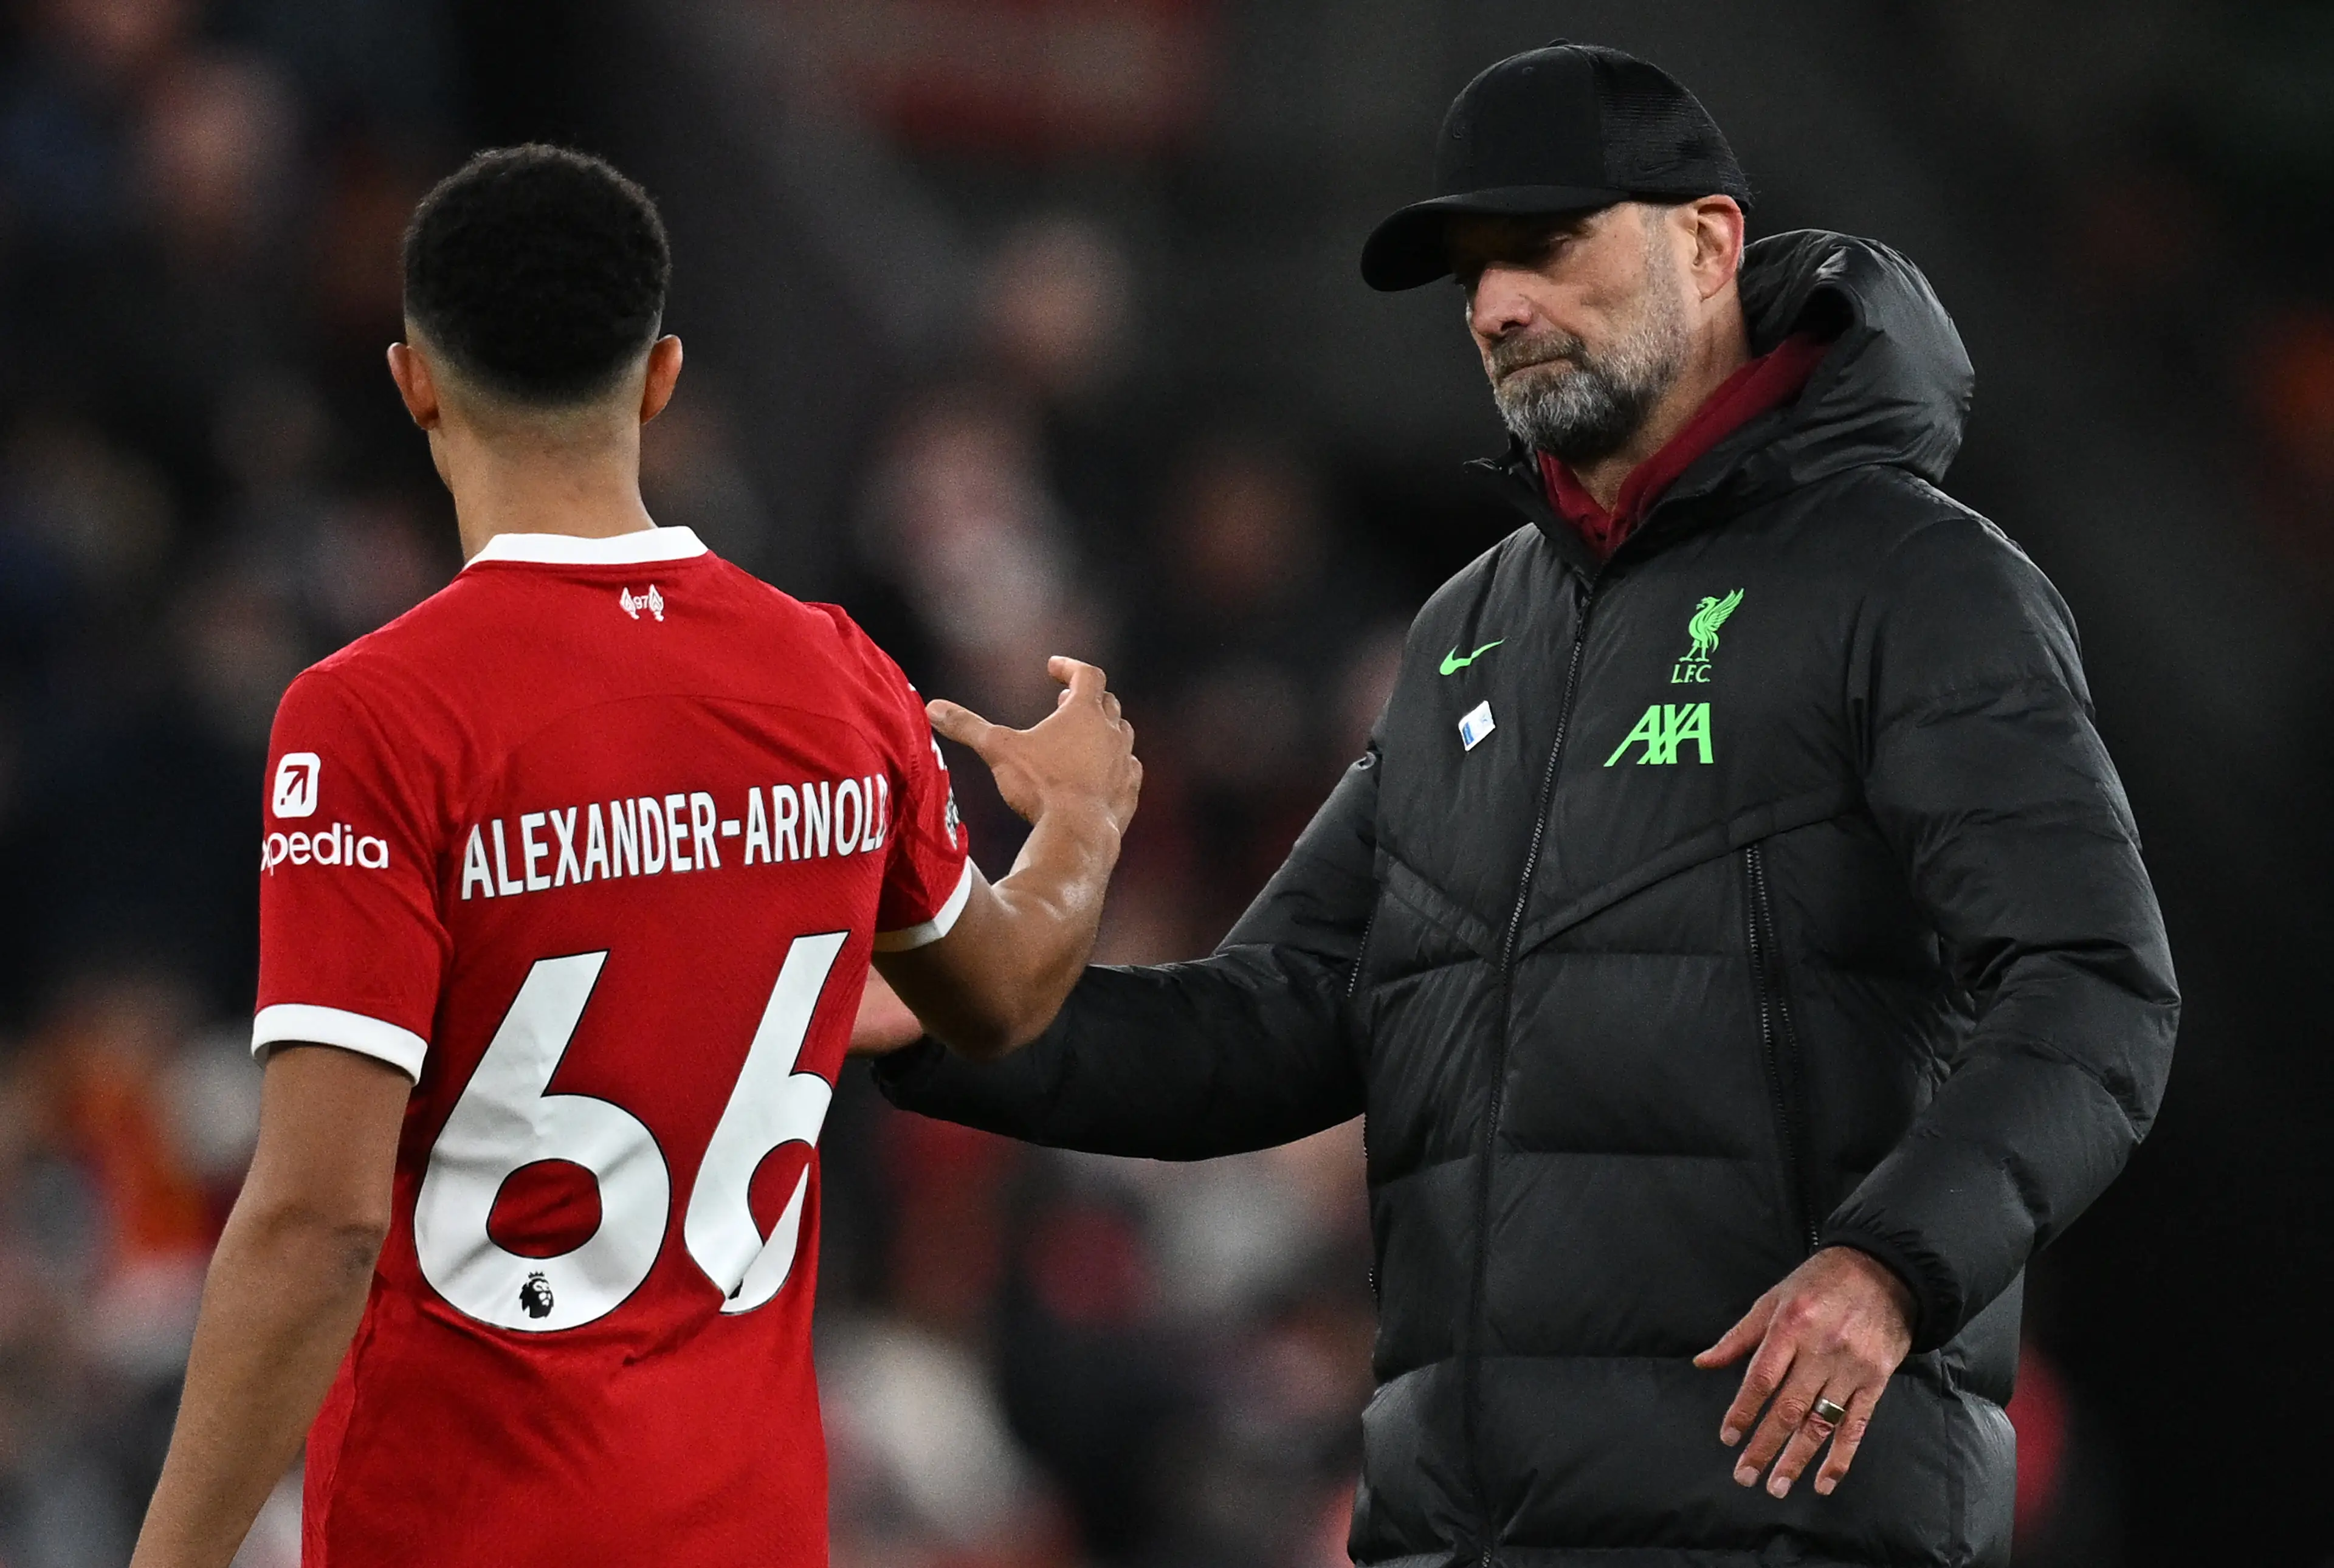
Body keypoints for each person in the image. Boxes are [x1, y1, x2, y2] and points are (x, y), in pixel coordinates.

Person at [865, 41, 2178, 1568]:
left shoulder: (1916, 583)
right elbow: (1274, 1022)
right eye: (1471, 272)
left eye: (1545, 246)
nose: (1495, 306)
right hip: (1463, 1528)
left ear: (1706, 242)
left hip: (1772, 1520)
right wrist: (952, 1003)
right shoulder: (1469, 633)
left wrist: (1894, 1268)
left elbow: (2096, 988)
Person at [128, 145, 1140, 1568]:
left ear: (415, 379)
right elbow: (1007, 994)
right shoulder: (835, 678)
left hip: (464, 1530)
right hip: (750, 1533)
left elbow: (315, 1226)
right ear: (661, 380)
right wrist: (1082, 826)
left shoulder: (373, 716)